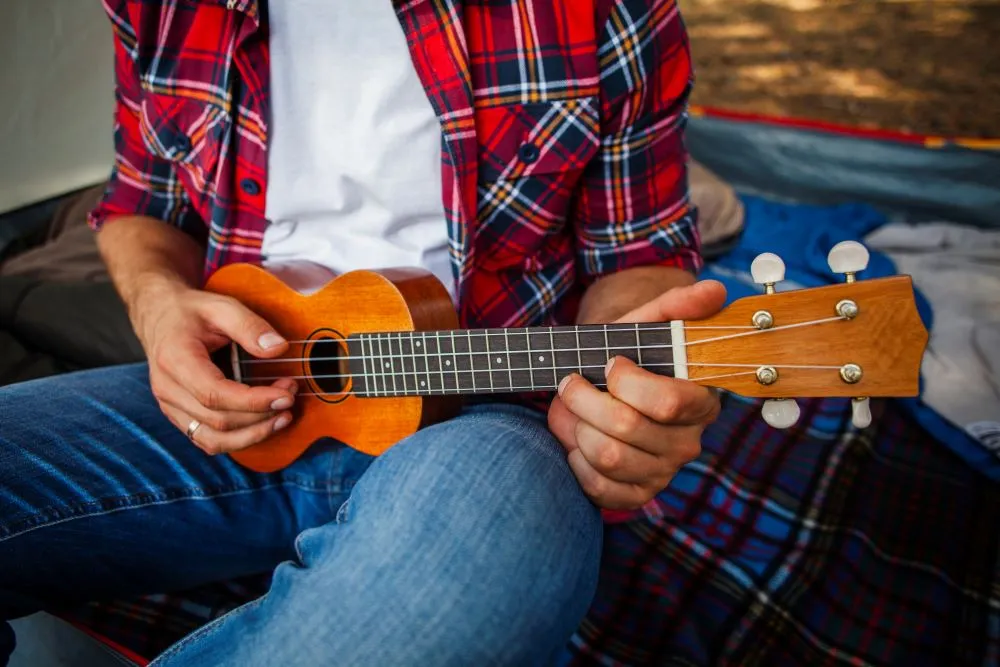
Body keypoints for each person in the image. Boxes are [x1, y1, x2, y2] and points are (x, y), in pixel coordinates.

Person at [0, 1, 723, 664]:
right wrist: (159, 304)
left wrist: (630, 373)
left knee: (457, 597)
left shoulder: (607, 9)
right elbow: (139, 200)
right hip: (236, 389)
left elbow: (639, 259)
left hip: (483, 418)